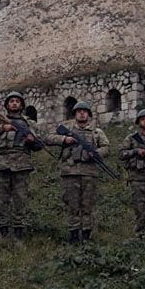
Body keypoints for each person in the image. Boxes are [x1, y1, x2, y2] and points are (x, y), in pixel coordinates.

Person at [0, 91, 43, 240]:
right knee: (1, 201)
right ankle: (3, 234)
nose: (14, 103)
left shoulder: (30, 123)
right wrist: (2, 129)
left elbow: (40, 145)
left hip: (21, 166)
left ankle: (19, 234)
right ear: (7, 105)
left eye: (17, 101)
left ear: (21, 105)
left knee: (20, 200)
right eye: (11, 101)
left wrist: (31, 140)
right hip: (0, 165)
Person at [45, 101, 110, 243]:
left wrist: (97, 154)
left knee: (88, 205)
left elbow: (106, 147)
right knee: (72, 205)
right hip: (70, 172)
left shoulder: (97, 132)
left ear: (89, 114)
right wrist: (64, 139)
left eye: (84, 111)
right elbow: (48, 138)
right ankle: (74, 235)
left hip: (89, 173)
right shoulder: (67, 128)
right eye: (79, 111)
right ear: (75, 114)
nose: (82, 113)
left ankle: (86, 235)